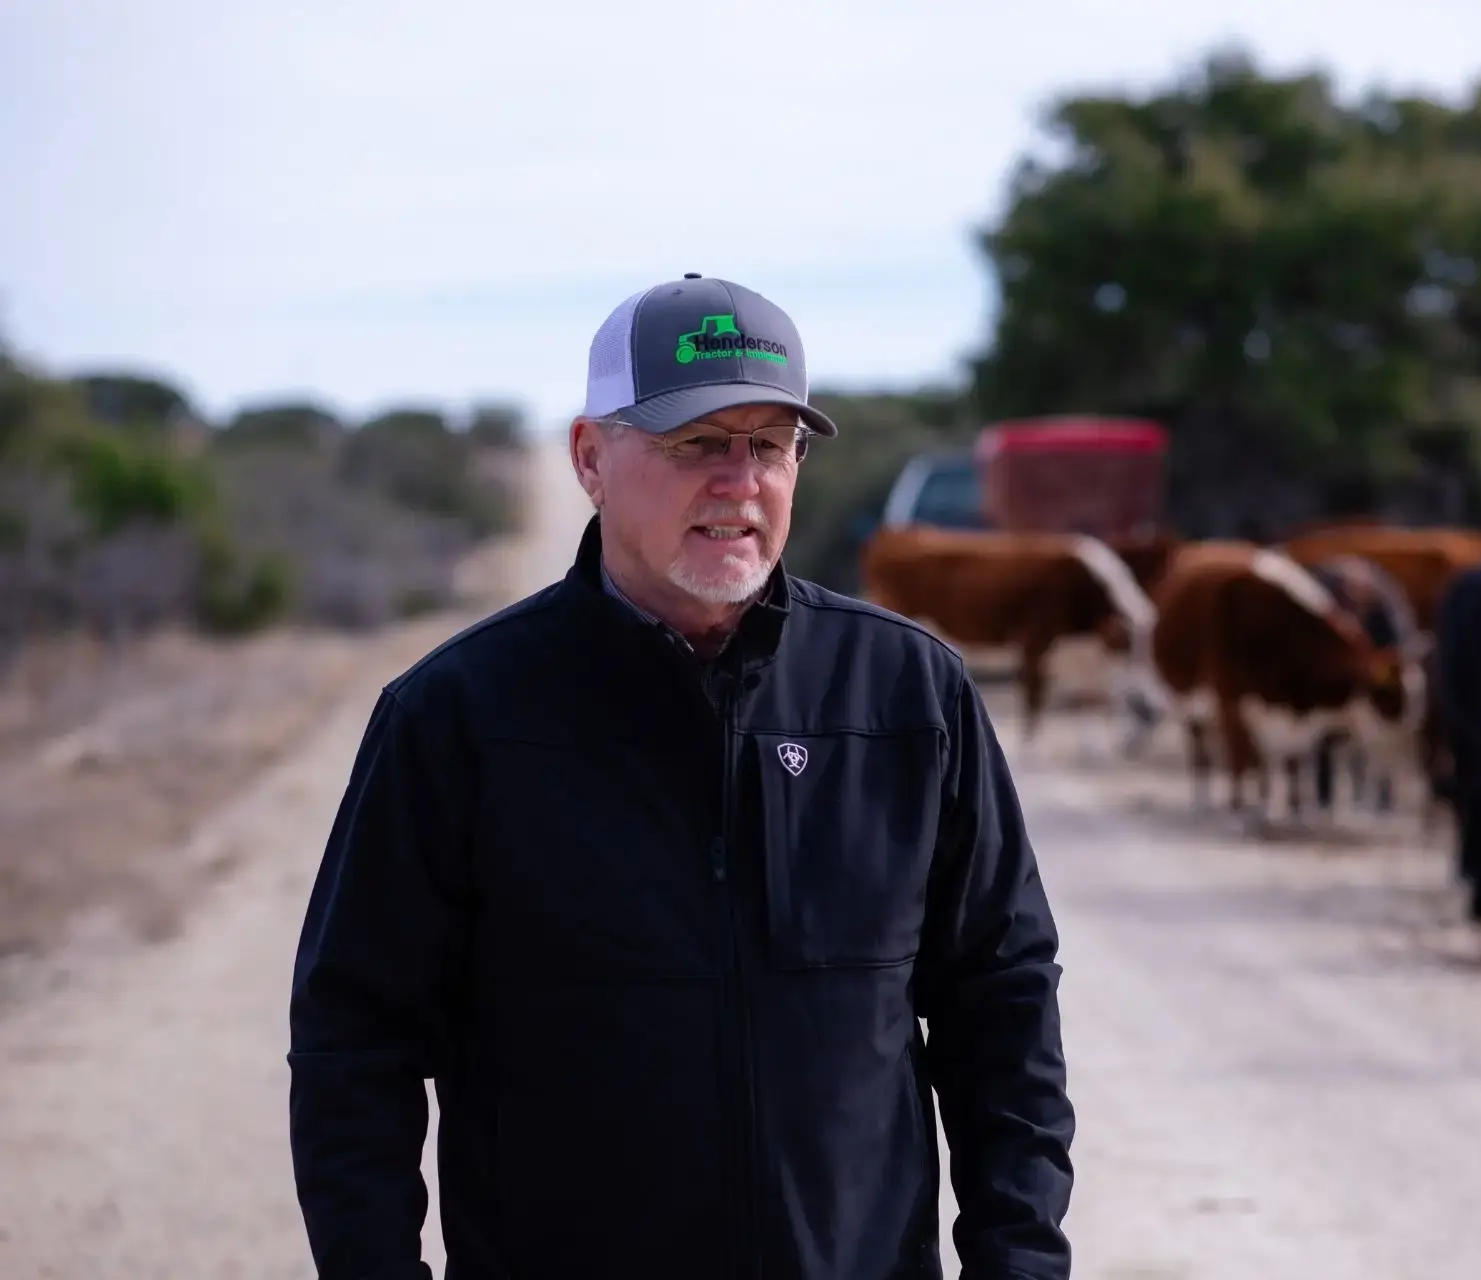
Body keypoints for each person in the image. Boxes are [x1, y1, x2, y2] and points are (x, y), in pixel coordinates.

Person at [287, 273, 1075, 1279]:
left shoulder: (908, 695)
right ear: (590, 457)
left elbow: (1003, 1002)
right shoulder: (459, 717)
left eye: (770, 445)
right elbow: (356, 1039)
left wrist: (1018, 1263)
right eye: (698, 442)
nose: (739, 480)